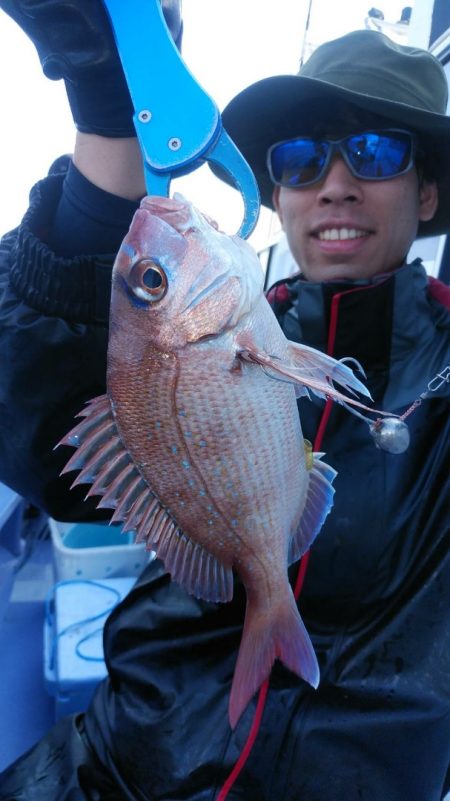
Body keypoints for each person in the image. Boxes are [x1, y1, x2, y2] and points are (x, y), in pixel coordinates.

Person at [0, 3, 449, 799]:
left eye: (376, 153)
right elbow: (38, 428)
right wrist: (111, 113)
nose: (336, 184)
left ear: (426, 195)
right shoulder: (241, 323)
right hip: (111, 767)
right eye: (302, 159)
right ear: (275, 195)